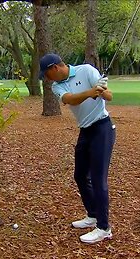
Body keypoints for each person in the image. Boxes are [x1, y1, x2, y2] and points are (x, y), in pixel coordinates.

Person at [39, 53, 116, 244]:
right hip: (85, 130)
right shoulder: (58, 86)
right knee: (80, 175)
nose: (46, 79)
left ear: (55, 68)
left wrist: (101, 89)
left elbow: (109, 96)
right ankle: (93, 215)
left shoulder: (87, 70)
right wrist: (90, 92)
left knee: (98, 179)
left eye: (47, 74)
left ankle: (104, 227)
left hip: (102, 128)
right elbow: (70, 99)